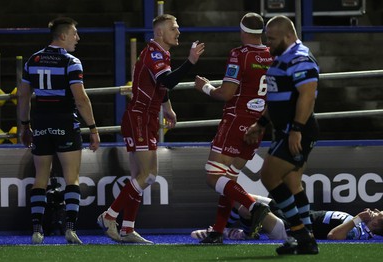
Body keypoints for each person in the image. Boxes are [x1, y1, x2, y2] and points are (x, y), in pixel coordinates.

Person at [96, 14, 205, 244]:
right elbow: (167, 81)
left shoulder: (159, 52)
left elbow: (160, 85)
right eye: (174, 29)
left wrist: (167, 108)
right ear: (159, 32)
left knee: (139, 176)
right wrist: (191, 62)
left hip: (140, 117)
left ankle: (127, 229)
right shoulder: (155, 53)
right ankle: (109, 216)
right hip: (140, 119)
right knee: (149, 175)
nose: (178, 32)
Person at [18, 17, 101, 245]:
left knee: (40, 178)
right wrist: (93, 128)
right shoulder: (71, 61)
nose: (78, 37)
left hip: (41, 123)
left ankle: (36, 231)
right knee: (71, 177)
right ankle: (71, 230)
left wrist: (25, 125)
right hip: (65, 123)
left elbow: (23, 96)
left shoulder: (32, 60)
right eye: (75, 33)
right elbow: (81, 99)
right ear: (62, 36)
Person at [193, 12, 273, 244]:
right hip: (258, 125)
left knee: (213, 176)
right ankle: (218, 231)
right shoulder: (271, 55)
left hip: (236, 120)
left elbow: (226, 93)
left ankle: (252, 207)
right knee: (228, 180)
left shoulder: (240, 55)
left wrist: (205, 87)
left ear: (243, 31)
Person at [244, 15, 320, 255]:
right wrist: (262, 122)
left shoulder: (300, 57)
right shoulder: (283, 58)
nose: (269, 43)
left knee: (268, 175)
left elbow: (307, 95)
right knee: (292, 182)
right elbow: (278, 96)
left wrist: (296, 129)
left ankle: (300, 234)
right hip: (285, 130)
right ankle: (306, 239)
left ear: (288, 36)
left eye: (272, 38)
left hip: (295, 131)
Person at [191, 195, 383, 241]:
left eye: (377, 214)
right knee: (235, 195)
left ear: (375, 223)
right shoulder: (359, 226)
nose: (374, 211)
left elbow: (333, 236)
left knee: (251, 209)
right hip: (291, 217)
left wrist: (357, 218)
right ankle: (241, 231)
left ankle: (221, 232)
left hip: (289, 230)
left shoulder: (359, 231)